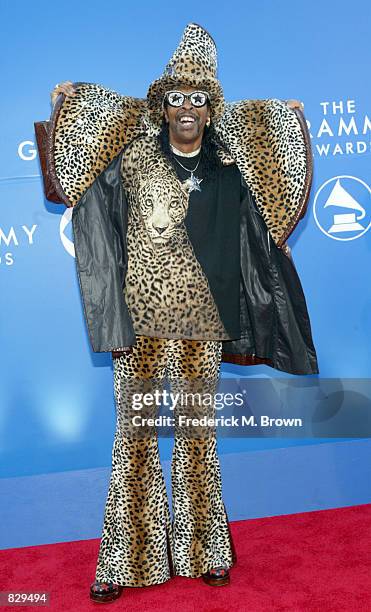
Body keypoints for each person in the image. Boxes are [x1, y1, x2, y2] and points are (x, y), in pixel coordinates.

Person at [46, 23, 318, 604]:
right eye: (177, 98)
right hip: (141, 324)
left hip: (204, 323)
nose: (187, 108)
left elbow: (274, 172)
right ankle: (125, 562)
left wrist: (288, 127)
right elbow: (75, 171)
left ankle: (207, 552)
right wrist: (64, 108)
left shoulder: (230, 161)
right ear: (163, 104)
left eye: (198, 99)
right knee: (136, 437)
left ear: (209, 107)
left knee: (198, 437)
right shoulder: (135, 154)